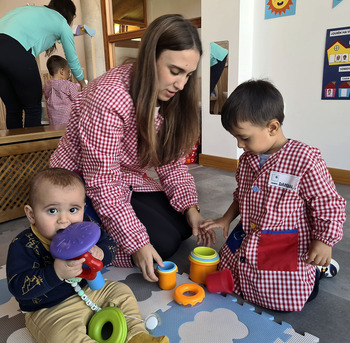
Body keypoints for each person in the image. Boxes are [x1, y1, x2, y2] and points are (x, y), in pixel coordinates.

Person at [50, 14, 215, 282]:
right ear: (150, 59)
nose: (182, 84)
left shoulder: (170, 97)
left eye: (188, 74)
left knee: (182, 226)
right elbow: (102, 181)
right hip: (79, 180)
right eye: (175, 71)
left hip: (124, 176)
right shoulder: (109, 98)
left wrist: (191, 209)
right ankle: (96, 248)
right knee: (157, 244)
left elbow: (171, 164)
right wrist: (137, 245)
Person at [201, 79, 346, 312]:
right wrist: (226, 218)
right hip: (249, 233)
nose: (239, 145)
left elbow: (328, 204)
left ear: (272, 127)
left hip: (284, 242)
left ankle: (319, 269)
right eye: (235, 138)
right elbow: (242, 194)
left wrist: (324, 242)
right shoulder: (247, 160)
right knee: (224, 276)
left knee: (289, 300)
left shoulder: (305, 159)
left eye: (244, 137)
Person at [6, 168, 169, 343]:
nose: (64, 220)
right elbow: (18, 286)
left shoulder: (86, 226)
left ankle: (136, 335)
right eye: (52, 211)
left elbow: (110, 245)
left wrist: (101, 253)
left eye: (73, 210)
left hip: (90, 289)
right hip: (50, 309)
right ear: (31, 214)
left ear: (84, 208)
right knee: (60, 336)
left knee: (122, 292)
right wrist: (56, 273)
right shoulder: (23, 244)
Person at [0, 0, 85, 129]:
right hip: (16, 49)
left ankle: (16, 149)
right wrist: (83, 83)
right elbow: (72, 59)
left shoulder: (29, 10)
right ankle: (32, 149)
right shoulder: (61, 22)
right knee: (33, 108)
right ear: (68, 14)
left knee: (13, 109)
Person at [44, 55, 80, 125]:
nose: (68, 75)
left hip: (53, 123)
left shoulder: (47, 85)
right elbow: (78, 100)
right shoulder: (68, 85)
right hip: (67, 122)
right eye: (68, 72)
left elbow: (46, 97)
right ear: (62, 71)